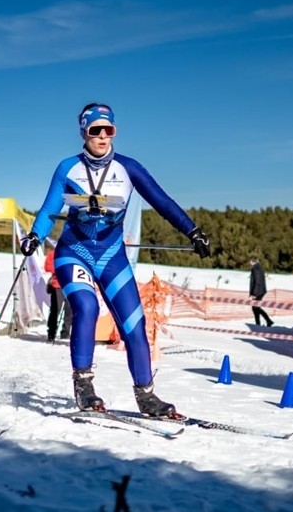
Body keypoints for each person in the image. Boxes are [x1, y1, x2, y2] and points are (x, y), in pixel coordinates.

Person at [19, 103, 211, 416]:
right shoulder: (68, 167)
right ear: (84, 132)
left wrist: (193, 231)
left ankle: (146, 395)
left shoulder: (128, 168)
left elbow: (162, 201)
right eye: (96, 130)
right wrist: (34, 236)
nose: (103, 136)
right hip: (74, 252)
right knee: (87, 306)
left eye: (109, 130)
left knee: (135, 325)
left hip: (111, 256)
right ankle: (84, 385)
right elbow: (49, 210)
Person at [44, 248, 72, 342]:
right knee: (55, 310)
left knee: (69, 310)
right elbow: (48, 267)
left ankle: (66, 332)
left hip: (70, 285)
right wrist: (61, 268)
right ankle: (51, 332)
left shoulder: (73, 253)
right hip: (57, 285)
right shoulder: (53, 253)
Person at [249, 256, 274, 327]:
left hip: (258, 291)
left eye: (250, 261)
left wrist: (254, 293)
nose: (250, 263)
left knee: (255, 308)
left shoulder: (255, 269)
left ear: (253, 261)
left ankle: (266, 321)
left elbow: (257, 282)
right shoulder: (260, 268)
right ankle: (264, 322)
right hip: (261, 291)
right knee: (256, 308)